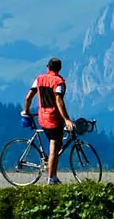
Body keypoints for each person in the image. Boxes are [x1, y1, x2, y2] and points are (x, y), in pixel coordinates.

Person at [23, 57, 75, 186]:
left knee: (55, 149)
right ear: (60, 68)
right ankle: (51, 180)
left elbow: (28, 97)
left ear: (48, 67)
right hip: (53, 119)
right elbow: (59, 101)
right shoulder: (59, 82)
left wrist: (26, 111)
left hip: (42, 118)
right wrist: (67, 119)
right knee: (54, 150)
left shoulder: (39, 79)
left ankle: (54, 175)